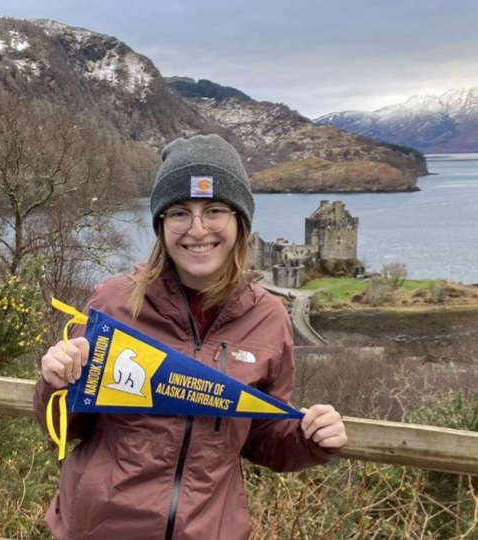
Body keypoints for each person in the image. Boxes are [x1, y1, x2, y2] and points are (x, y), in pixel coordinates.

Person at [34, 134, 347, 540]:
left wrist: (311, 439)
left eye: (215, 210)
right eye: (179, 213)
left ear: (240, 222)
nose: (197, 229)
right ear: (162, 225)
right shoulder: (112, 303)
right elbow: (65, 426)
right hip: (101, 527)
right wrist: (55, 382)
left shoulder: (269, 317)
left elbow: (260, 437)